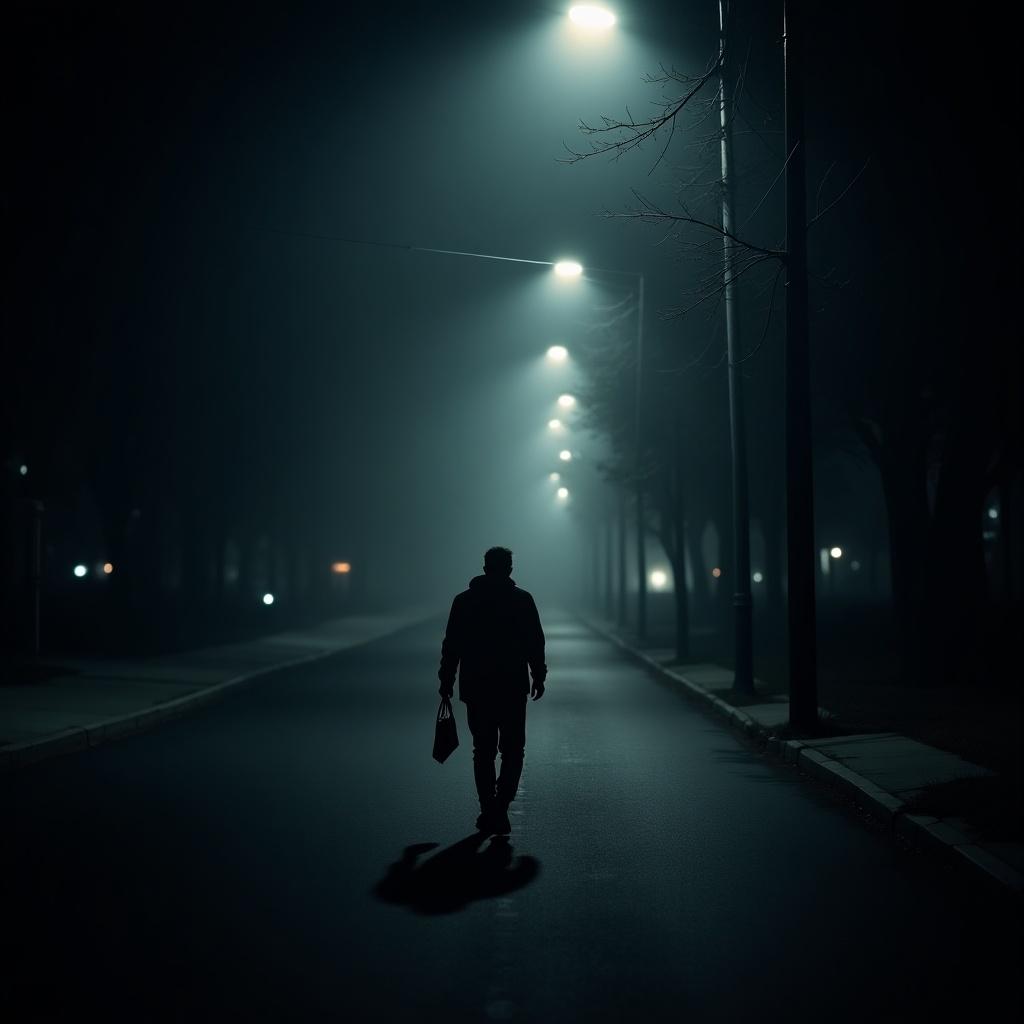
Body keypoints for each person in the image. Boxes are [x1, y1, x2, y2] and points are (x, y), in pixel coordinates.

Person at [438, 547, 546, 835]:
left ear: (484, 568)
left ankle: (488, 807)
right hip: (512, 686)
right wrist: (538, 674)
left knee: (482, 750)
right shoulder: (522, 601)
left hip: (477, 686)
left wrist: (446, 680)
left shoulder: (464, 602)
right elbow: (534, 641)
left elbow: (452, 645)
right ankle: (501, 804)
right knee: (513, 749)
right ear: (510, 569)